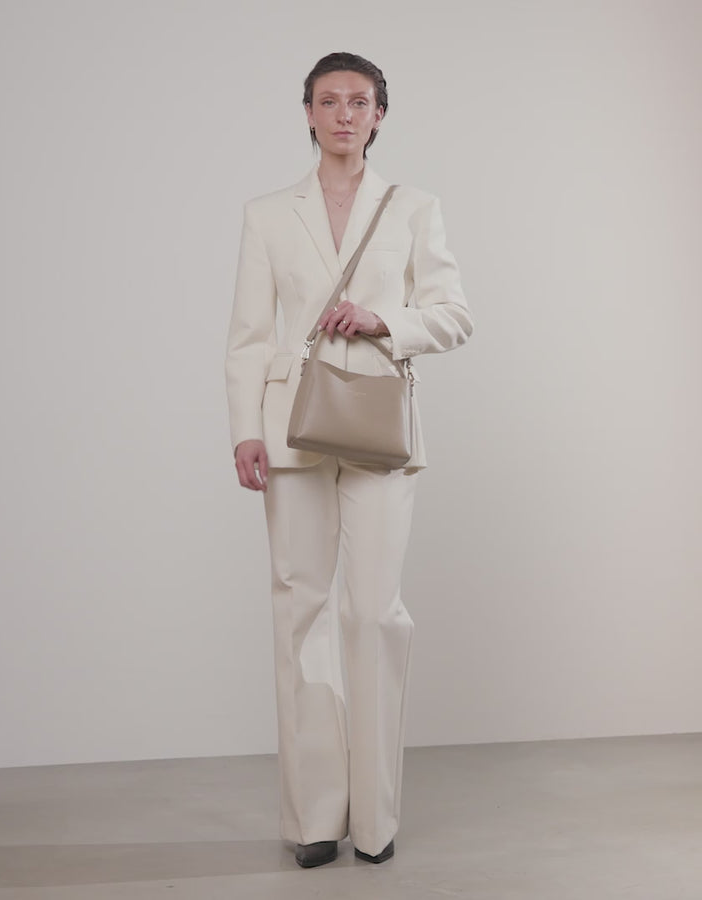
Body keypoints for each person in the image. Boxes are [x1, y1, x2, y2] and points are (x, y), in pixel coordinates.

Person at [225, 51, 473, 869]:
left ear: (379, 115)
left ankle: (375, 818)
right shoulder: (268, 214)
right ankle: (314, 819)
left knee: (372, 614)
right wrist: (244, 429)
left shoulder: (414, 208)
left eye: (358, 102)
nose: (343, 115)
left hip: (376, 425)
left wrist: (384, 321)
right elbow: (248, 336)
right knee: (300, 611)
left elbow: (455, 314)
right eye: (328, 101)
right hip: (290, 427)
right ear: (307, 112)